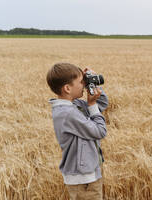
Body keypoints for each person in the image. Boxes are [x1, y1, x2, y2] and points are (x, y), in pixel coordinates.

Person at [46, 63, 108, 200]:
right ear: (67, 88)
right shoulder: (68, 113)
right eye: (81, 82)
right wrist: (91, 105)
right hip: (83, 179)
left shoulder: (74, 105)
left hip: (87, 174)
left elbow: (102, 104)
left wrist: (92, 84)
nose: (84, 84)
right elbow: (100, 131)